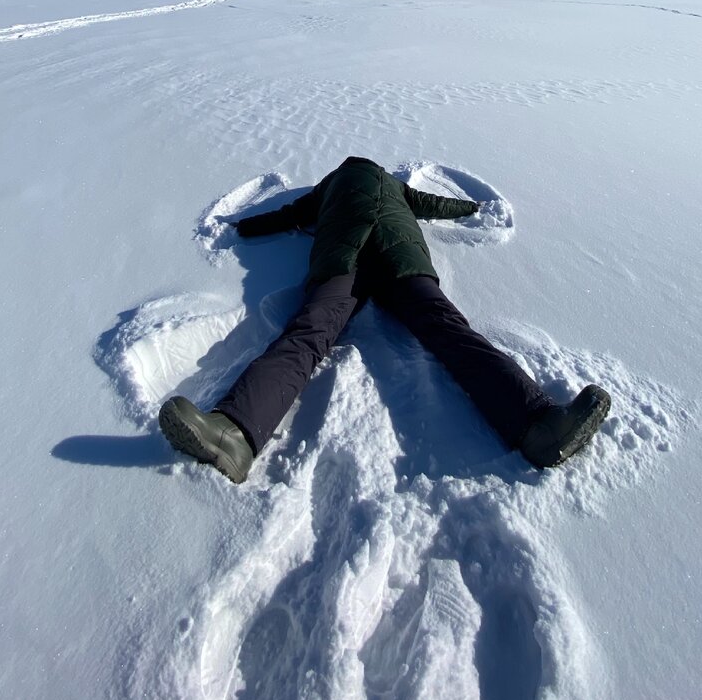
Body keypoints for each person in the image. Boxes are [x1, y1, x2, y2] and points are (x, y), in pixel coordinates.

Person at [159, 156, 611, 483]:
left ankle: (538, 425)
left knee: (317, 333)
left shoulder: (348, 187)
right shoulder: (349, 187)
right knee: (434, 331)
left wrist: (469, 208)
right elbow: (297, 214)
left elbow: (298, 213)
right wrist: (246, 225)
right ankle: (234, 434)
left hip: (369, 260)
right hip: (376, 260)